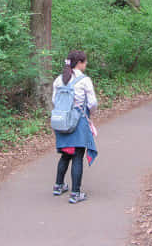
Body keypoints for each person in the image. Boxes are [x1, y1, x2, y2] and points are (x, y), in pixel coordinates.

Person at [52, 50, 98, 204]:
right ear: (79, 63)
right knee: (77, 156)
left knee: (65, 154)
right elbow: (92, 104)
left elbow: (54, 100)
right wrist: (91, 114)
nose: (86, 64)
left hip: (61, 120)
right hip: (78, 121)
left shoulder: (59, 80)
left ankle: (58, 186)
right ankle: (75, 193)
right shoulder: (84, 81)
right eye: (85, 62)